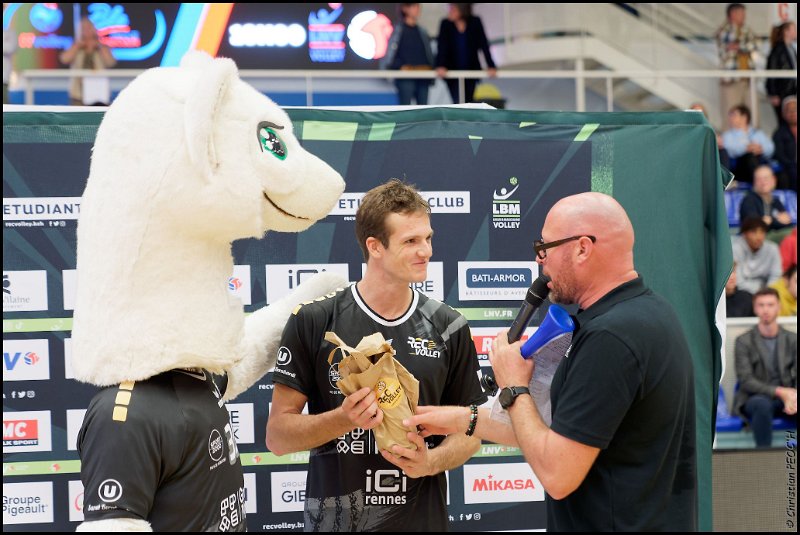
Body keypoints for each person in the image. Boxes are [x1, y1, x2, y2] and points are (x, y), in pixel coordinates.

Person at [406, 192, 697, 531]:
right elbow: (558, 434)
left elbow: (558, 474)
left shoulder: (611, 337)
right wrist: (461, 419)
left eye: (545, 247)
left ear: (582, 248)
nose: (539, 259)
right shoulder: (648, 312)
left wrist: (514, 386)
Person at [266, 179, 485, 531]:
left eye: (428, 238)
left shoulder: (449, 326)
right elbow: (277, 437)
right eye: (410, 241)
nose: (426, 251)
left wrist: (430, 462)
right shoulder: (315, 320)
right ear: (375, 246)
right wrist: (344, 418)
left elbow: (471, 432)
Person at [733, 287, 797, 448]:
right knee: (762, 405)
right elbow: (746, 380)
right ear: (755, 308)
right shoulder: (744, 341)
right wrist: (781, 392)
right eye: (761, 305)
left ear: (779, 307)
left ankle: (790, 458)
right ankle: (763, 457)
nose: (766, 310)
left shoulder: (792, 339)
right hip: (755, 397)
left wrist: (793, 396)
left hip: (788, 396)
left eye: (770, 304)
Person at [435, 3, 497, 104]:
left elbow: (484, 45)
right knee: (458, 101)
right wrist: (440, 65)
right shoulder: (445, 24)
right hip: (452, 73)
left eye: (453, 8)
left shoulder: (475, 22)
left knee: (469, 101)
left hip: (471, 72)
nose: (450, 11)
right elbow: (442, 47)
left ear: (462, 9)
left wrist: (491, 65)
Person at [381, 3, 434, 105]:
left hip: (423, 76)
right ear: (405, 9)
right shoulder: (397, 31)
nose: (417, 9)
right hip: (405, 77)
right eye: (414, 6)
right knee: (405, 108)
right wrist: (400, 66)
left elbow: (428, 54)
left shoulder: (422, 31)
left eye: (418, 6)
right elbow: (390, 56)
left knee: (423, 110)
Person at [716, 4, 758, 124]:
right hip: (731, 79)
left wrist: (738, 46)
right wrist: (742, 45)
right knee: (731, 111)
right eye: (741, 13)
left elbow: (753, 45)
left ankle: (751, 135)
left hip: (747, 78)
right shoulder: (724, 30)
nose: (744, 16)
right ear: (732, 14)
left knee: (751, 113)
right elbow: (730, 41)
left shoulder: (746, 29)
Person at [59, 17, 116, 105]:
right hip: (78, 94)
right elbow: (64, 59)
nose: (86, 31)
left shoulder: (102, 47)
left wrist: (98, 45)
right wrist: (77, 46)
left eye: (89, 27)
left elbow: (110, 62)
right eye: (83, 28)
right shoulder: (75, 46)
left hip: (100, 94)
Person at [721, 104, 775, 185]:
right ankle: (758, 183)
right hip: (739, 167)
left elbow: (771, 147)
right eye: (730, 115)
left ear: (744, 117)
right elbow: (728, 149)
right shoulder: (727, 135)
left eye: (734, 115)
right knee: (750, 157)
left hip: (759, 162)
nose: (730, 118)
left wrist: (761, 149)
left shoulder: (757, 133)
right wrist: (746, 148)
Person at [732, 217, 783, 294]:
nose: (758, 237)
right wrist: (760, 291)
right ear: (744, 234)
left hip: (768, 292)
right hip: (742, 292)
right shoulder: (735, 249)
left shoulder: (772, 248)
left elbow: (776, 275)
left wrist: (767, 292)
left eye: (762, 232)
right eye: (753, 232)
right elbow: (738, 280)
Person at [738, 164, 792, 233]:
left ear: (774, 180)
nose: (763, 182)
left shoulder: (775, 201)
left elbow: (786, 222)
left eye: (766, 178)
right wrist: (774, 220)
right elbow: (755, 225)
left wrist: (770, 220)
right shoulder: (749, 200)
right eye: (759, 179)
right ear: (754, 182)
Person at [766, 21, 797, 124]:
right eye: (794, 29)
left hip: (791, 90)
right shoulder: (778, 50)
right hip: (782, 92)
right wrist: (773, 93)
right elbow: (771, 71)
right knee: (784, 120)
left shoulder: (791, 49)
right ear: (786, 32)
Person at [773, 96, 797, 191]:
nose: (792, 113)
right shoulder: (779, 133)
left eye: (795, 109)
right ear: (783, 114)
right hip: (790, 167)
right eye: (789, 110)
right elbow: (780, 155)